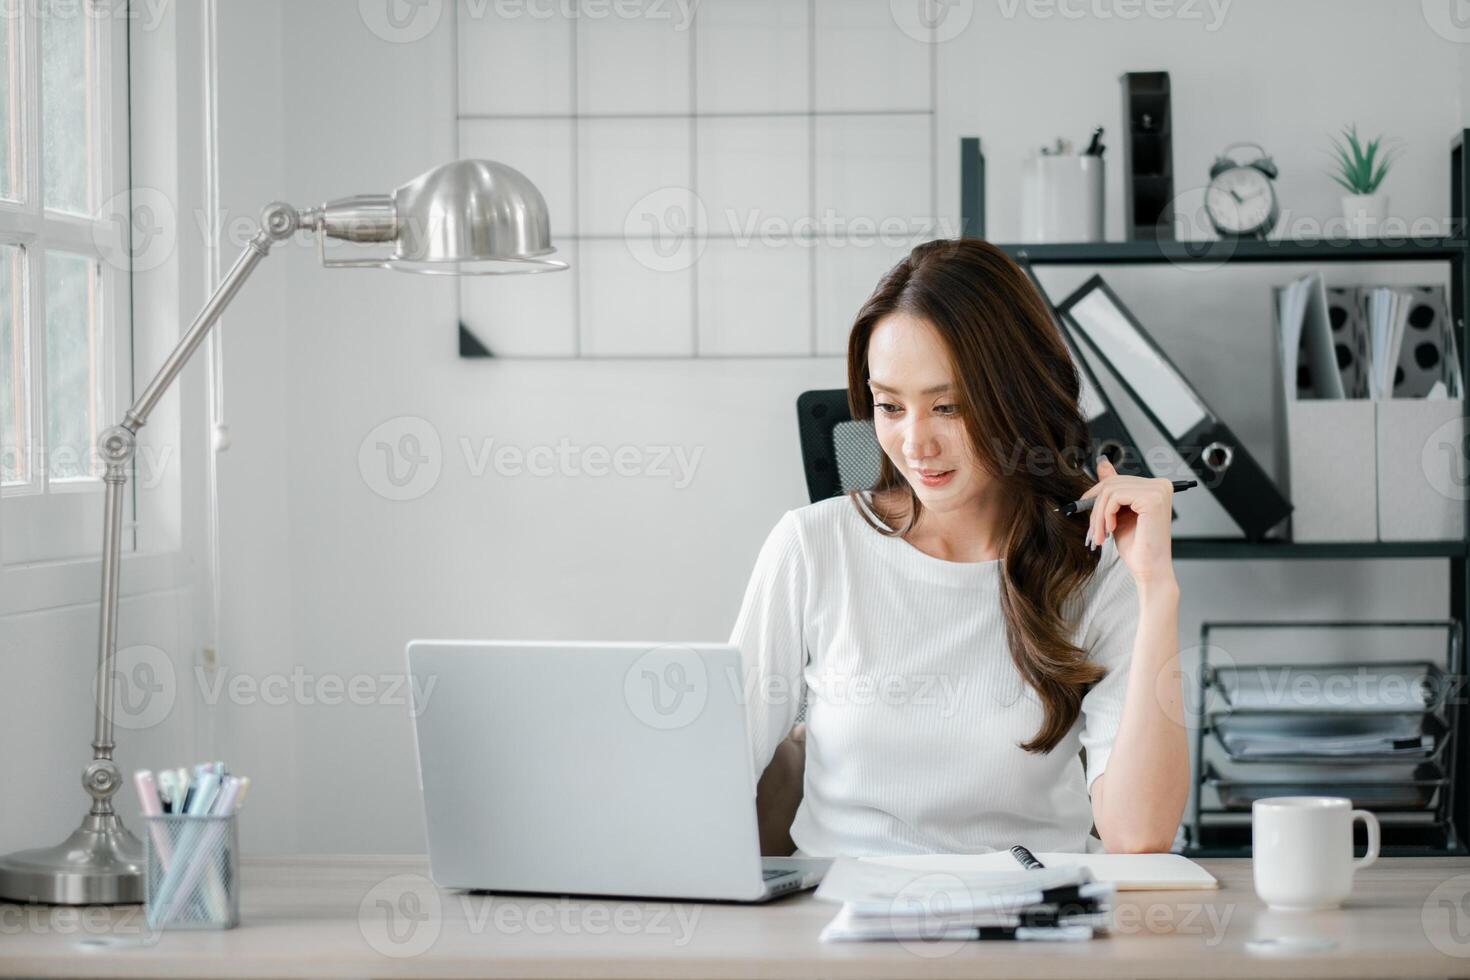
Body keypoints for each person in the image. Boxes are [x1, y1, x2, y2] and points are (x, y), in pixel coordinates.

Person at [732, 238, 1188, 857]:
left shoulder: (1093, 563)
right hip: (841, 927)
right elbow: (712, 770)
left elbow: (1138, 835)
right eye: (890, 406)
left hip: (1031, 929)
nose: (914, 442)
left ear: (1017, 399)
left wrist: (1155, 590)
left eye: (947, 407)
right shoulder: (811, 547)